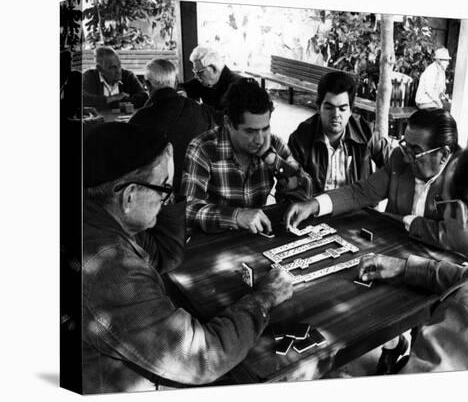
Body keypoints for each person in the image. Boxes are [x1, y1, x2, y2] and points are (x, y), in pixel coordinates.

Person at [83, 122, 293, 393]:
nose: (167, 199)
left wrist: (164, 186)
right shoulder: (110, 268)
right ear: (129, 197)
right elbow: (203, 357)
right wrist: (265, 297)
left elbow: (164, 256)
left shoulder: (99, 216)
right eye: (164, 189)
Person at [357, 145, 468, 373]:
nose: (438, 214)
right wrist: (404, 268)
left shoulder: (465, 319)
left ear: (461, 213)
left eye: (441, 203)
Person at [285, 108, 460, 249]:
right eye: (406, 145)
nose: (407, 158)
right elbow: (362, 192)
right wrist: (314, 204)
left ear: (443, 155)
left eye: (415, 151)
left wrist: (406, 221)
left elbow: (452, 237)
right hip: (392, 249)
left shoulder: (464, 176)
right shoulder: (400, 157)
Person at [181, 78, 312, 234]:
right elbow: (188, 210)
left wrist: (272, 159)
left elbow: (306, 192)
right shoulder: (203, 148)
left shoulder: (274, 144)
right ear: (228, 123)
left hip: (259, 234)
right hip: (215, 239)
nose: (260, 140)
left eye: (265, 128)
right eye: (250, 131)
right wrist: (236, 216)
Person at [288, 71, 390, 195]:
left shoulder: (366, 133)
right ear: (318, 107)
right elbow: (290, 189)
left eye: (342, 109)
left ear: (351, 110)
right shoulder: (300, 139)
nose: (336, 115)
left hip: (358, 210)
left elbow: (395, 164)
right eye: (329, 108)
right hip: (315, 210)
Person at [130, 59, 216, 194]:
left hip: (158, 195)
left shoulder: (140, 118)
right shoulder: (201, 111)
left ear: (147, 85)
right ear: (175, 83)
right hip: (198, 190)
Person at [180, 45, 243, 123]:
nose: (196, 76)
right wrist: (182, 92)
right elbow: (181, 87)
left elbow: (228, 119)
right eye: (194, 72)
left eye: (200, 72)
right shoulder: (204, 80)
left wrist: (198, 107)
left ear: (213, 69)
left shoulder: (240, 85)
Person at [83, 46, 148, 110]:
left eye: (119, 65)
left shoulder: (128, 75)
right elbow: (82, 99)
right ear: (100, 69)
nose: (118, 71)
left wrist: (111, 104)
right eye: (112, 67)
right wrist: (115, 98)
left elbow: (143, 97)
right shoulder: (89, 76)